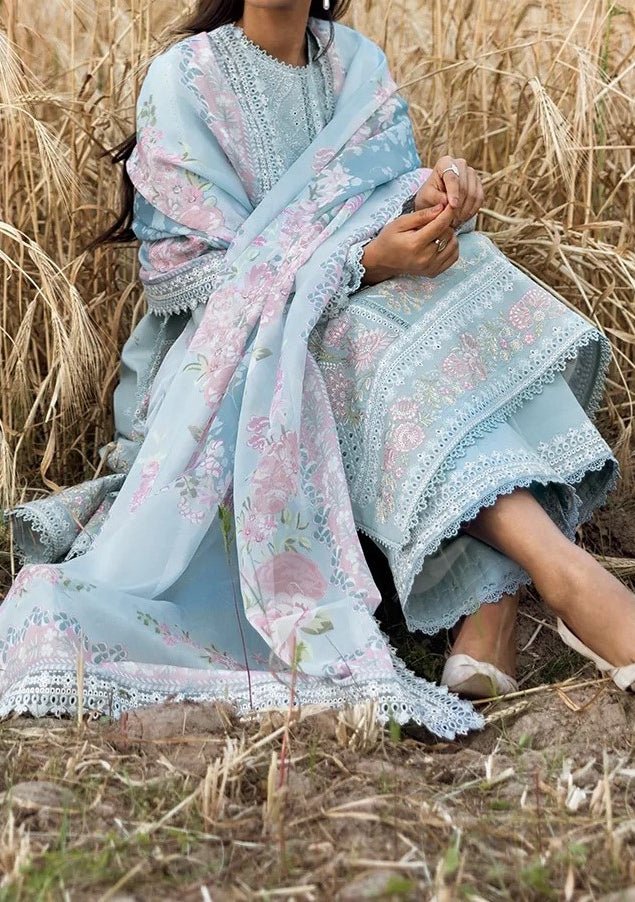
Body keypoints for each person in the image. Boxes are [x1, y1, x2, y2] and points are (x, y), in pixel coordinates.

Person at [1, 0, 633, 739]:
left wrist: (433, 197)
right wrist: (363, 261)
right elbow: (198, 277)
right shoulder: (185, 78)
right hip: (219, 358)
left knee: (466, 269)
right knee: (356, 335)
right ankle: (563, 579)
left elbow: (377, 202)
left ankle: (496, 599)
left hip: (356, 318)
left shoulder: (354, 63)